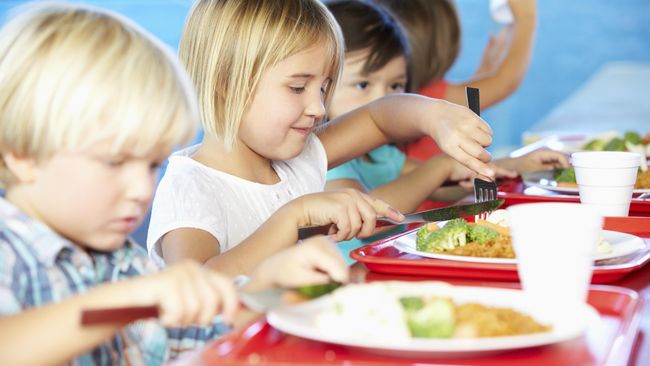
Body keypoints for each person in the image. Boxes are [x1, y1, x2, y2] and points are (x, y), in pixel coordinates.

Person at [0, 3, 348, 365]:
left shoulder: (121, 262)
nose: (141, 190)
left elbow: (195, 335)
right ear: (23, 155)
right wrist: (127, 301)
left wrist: (267, 290)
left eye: (151, 164)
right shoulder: (9, 254)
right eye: (114, 161)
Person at [147, 0, 495, 276]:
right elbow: (196, 287)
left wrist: (434, 116)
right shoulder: (191, 187)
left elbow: (379, 118)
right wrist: (294, 216)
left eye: (324, 87)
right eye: (298, 87)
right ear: (225, 81)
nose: (317, 106)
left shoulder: (298, 159)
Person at [324, 0, 569, 260]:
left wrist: (510, 166)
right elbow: (369, 216)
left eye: (395, 86)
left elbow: (439, 186)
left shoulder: (381, 154)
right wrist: (441, 166)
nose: (382, 98)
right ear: (322, 84)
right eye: (363, 85)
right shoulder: (327, 161)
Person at [374, 0, 537, 161]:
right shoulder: (429, 98)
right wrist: (526, 18)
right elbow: (505, 84)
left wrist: (485, 71)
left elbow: (472, 100)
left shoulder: (400, 98)